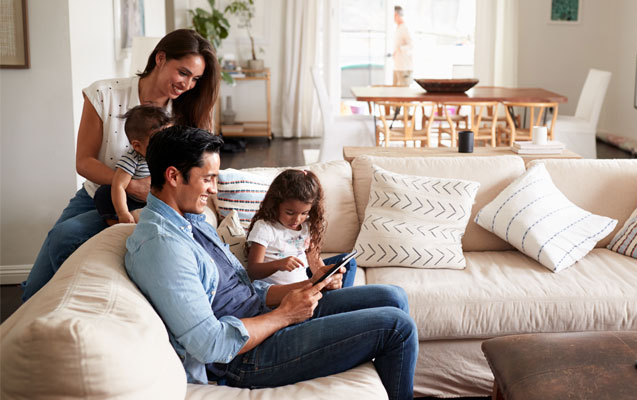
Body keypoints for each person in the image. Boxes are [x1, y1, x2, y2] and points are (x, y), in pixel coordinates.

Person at [125, 126, 418, 399]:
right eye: (208, 178)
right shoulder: (162, 247)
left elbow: (245, 288)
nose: (213, 189)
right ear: (174, 176)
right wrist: (286, 315)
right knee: (397, 327)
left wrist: (309, 285)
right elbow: (210, 345)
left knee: (393, 296)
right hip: (245, 356)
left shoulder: (192, 221)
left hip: (265, 314)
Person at [21, 29, 219, 301]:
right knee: (35, 286)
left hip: (150, 203)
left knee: (65, 237)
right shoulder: (105, 93)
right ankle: (43, 311)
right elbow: (84, 161)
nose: (188, 85)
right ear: (160, 58)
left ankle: (68, 304)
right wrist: (131, 184)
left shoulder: (186, 112)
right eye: (183, 72)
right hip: (97, 193)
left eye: (195, 78)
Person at [245, 169, 357, 288]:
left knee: (349, 263)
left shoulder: (306, 226)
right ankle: (339, 300)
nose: (297, 219)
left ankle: (337, 296)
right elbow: (253, 270)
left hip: (306, 286)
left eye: (304, 213)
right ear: (275, 204)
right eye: (290, 213)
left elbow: (315, 263)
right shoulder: (265, 228)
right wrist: (278, 264)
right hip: (285, 294)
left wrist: (327, 280)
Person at [93, 105, 172, 225]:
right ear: (137, 146)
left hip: (157, 201)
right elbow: (119, 185)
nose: (165, 145)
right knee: (104, 193)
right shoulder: (132, 159)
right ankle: (115, 222)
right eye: (158, 141)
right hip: (132, 202)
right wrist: (122, 212)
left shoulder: (169, 155)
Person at [392, 5, 413, 86]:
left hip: (404, 67)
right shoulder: (398, 28)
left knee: (403, 93)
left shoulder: (406, 28)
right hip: (397, 66)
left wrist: (400, 49)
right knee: (395, 93)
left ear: (396, 14)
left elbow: (411, 45)